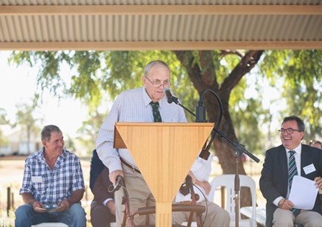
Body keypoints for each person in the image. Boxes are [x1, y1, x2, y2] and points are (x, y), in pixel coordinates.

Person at [96, 60, 229, 226]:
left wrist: (184, 168)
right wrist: (114, 167)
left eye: (166, 82)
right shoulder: (125, 100)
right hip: (132, 176)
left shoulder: (174, 104)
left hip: (165, 179)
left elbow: (184, 142)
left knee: (163, 223)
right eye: (156, 81)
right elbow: (104, 139)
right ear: (144, 80)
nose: (162, 87)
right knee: (132, 222)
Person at [259, 116, 322, 227]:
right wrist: (279, 201)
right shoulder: (272, 155)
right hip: (282, 207)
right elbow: (265, 183)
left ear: (301, 134)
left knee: (316, 222)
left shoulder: (314, 154)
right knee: (282, 221)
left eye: (290, 130)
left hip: (308, 209)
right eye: (282, 130)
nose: (285, 134)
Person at [15, 125, 86, 227]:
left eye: (62, 139)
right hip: (39, 212)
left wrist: (69, 202)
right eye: (56, 141)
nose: (61, 144)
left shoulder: (73, 160)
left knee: (78, 212)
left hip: (65, 210)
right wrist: (34, 203)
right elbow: (25, 191)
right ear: (44, 143)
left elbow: (79, 189)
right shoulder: (31, 161)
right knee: (21, 212)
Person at [173, 154, 230, 226]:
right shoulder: (171, 151)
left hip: (199, 203)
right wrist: (198, 181)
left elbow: (202, 175)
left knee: (221, 215)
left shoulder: (204, 153)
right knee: (163, 218)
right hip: (176, 205)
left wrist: (185, 165)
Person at [89, 150, 115, 227]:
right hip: (106, 198)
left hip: (133, 197)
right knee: (98, 212)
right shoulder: (99, 153)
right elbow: (95, 184)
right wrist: (110, 203)